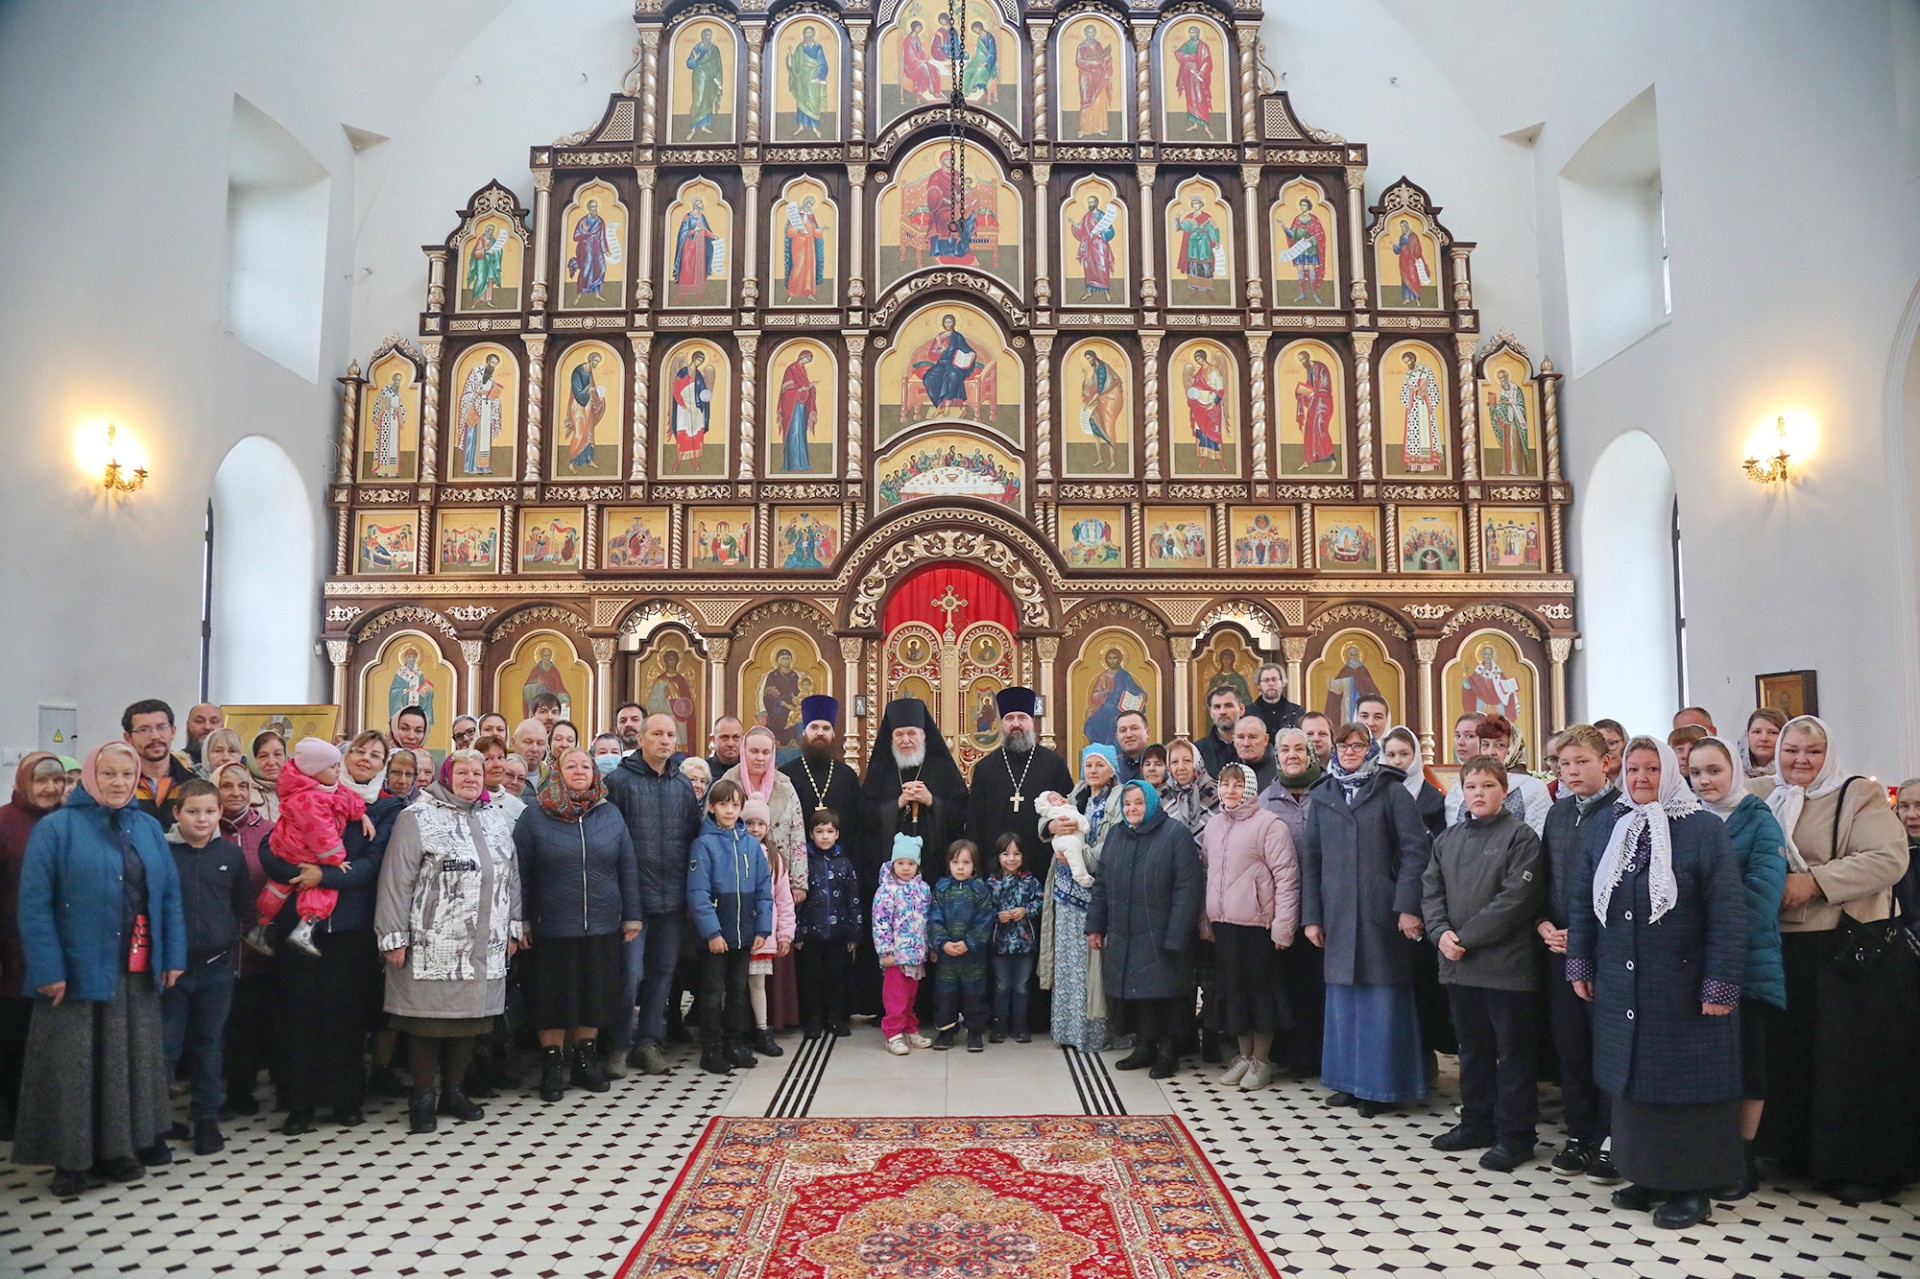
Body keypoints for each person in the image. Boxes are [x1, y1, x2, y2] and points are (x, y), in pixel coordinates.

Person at [1567, 738, 1746, 1230]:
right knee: (1633, 1086)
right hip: (1622, 982)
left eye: (1651, 769)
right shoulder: (1609, 824)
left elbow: (1728, 913)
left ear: (1671, 773)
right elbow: (1582, 899)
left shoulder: (1703, 829)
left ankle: (1691, 1187)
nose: (1641, 777)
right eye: (1633, 768)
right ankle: (1645, 1175)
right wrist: (1580, 962)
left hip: (1684, 985)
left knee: (1686, 1088)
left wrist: (1720, 985)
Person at [1752, 716, 1918, 1201]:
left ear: (1829, 755)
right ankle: (1800, 1155)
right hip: (1785, 947)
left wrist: (1815, 881)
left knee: (1848, 1063)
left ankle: (1860, 1166)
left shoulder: (1855, 796)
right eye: (1791, 751)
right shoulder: (1764, 796)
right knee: (1798, 1057)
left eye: (1813, 752)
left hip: (1846, 950)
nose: (1801, 760)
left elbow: (1889, 858)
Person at [13, 744, 185, 1196]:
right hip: (76, 971)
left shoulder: (147, 827)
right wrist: (48, 967)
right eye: (108, 774)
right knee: (74, 1068)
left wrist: (172, 957)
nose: (118, 782)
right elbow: (34, 907)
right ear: (90, 776)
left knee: (127, 1063)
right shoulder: (56, 829)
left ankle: (119, 1150)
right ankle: (69, 1162)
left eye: (127, 775)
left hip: (135, 969)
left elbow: (167, 896)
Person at [258, 737, 403, 1134]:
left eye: (376, 755)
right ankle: (299, 1104)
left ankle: (345, 1100)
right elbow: (271, 851)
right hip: (301, 924)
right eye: (359, 751)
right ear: (344, 756)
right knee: (298, 1015)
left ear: (381, 766)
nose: (365, 760)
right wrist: (299, 873)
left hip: (351, 927)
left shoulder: (386, 807)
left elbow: (375, 863)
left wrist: (326, 876)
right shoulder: (303, 793)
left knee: (346, 1017)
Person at [376, 749, 523, 1134]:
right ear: (446, 776)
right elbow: (396, 880)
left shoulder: (495, 818)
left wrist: (513, 926)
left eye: (478, 772)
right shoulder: (417, 817)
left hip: (484, 941)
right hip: (431, 943)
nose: (472, 778)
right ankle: (422, 1097)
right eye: (463, 772)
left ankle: (453, 1092)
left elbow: (512, 876)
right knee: (428, 1023)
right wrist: (392, 936)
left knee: (472, 1021)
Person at [1299, 722, 1431, 1116]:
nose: (1350, 751)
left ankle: (1381, 1087)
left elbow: (1415, 852)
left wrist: (1408, 906)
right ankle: (1347, 1082)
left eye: (1358, 745)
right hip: (1337, 913)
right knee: (1344, 1001)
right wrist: (1312, 917)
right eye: (1344, 745)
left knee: (1382, 999)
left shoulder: (1391, 790)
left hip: (1381, 913)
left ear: (1370, 748)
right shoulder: (1323, 794)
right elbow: (1312, 861)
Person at [1422, 755, 1546, 1173]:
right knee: (1471, 1050)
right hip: (1458, 964)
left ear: (1504, 791)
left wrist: (1466, 938)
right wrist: (1441, 933)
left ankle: (1515, 1137)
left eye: (1488, 786)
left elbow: (1515, 900)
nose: (1479, 793)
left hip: (1505, 969)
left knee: (1512, 1055)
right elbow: (1431, 891)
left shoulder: (1521, 837)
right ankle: (1475, 1123)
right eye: (1472, 786)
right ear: (1462, 792)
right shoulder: (1448, 839)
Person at [1687, 735, 1788, 1200]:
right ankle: (1709, 1152)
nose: (1705, 781)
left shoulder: (1759, 819)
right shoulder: (1686, 820)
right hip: (1695, 964)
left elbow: (1762, 896)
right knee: (1708, 1065)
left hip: (1747, 963)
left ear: (1734, 771)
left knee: (1749, 1064)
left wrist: (1707, 931)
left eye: (1714, 771)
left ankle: (1743, 1158)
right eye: (1696, 773)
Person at [515, 748, 639, 1103]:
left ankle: (585, 1060)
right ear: (557, 771)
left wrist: (632, 916)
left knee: (594, 994)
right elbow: (520, 872)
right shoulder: (534, 817)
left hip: (602, 924)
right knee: (552, 997)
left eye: (586, 765)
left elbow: (627, 867)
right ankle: (552, 1064)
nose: (580, 770)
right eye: (571, 765)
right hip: (551, 925)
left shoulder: (609, 814)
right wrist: (521, 920)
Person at [1535, 724, 1621, 1180]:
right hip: (1558, 949)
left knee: (1604, 1046)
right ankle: (1580, 1132)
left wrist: (1584, 937)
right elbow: (1547, 878)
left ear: (1605, 762)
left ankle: (1611, 1137)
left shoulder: (1624, 813)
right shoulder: (1557, 813)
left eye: (1581, 762)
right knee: (1571, 1047)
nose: (1571, 771)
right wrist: (1544, 924)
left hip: (1603, 952)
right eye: (1563, 764)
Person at [605, 714, 703, 1077]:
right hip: (632, 898)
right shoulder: (619, 781)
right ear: (642, 739)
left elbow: (693, 838)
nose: (665, 740)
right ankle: (618, 1044)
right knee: (630, 973)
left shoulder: (681, 786)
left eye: (670, 735)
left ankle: (648, 1041)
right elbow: (609, 839)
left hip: (672, 896)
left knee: (663, 971)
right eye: (657, 734)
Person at [1088, 779, 1204, 1079]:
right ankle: (1143, 1046)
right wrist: (1096, 926)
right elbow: (1101, 884)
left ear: (1151, 803)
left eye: (1138, 802)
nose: (1132, 809)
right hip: (1125, 931)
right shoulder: (1117, 835)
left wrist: (1177, 934)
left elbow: (1187, 889)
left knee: (1163, 994)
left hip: (1161, 932)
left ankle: (1168, 1052)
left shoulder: (1175, 835)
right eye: (1127, 804)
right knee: (1136, 994)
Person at [159, 779, 249, 1156]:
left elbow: (241, 905)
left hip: (215, 969)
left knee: (209, 1044)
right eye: (193, 811)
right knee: (166, 1047)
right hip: (170, 971)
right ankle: (156, 1122)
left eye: (210, 811)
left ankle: (206, 1118)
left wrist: (225, 939)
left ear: (219, 814)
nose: (202, 819)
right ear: (177, 813)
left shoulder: (230, 855)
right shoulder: (163, 854)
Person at [1202, 762, 1298, 1092]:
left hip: (1259, 924)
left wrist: (1284, 927)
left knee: (1260, 992)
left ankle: (1262, 1060)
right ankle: (1243, 1056)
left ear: (1251, 788)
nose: (1230, 790)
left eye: (1237, 784)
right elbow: (1209, 873)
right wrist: (1207, 917)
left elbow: (1287, 878)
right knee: (1234, 991)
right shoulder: (1213, 826)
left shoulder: (1270, 825)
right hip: (1225, 923)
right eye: (1225, 784)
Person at [246, 739, 373, 960]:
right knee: (323, 886)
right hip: (299, 849)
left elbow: (345, 799)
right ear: (315, 771)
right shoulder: (308, 799)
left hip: (289, 848)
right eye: (332, 767)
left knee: (279, 887)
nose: (337, 771)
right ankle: (305, 927)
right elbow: (321, 833)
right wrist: (335, 859)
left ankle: (261, 925)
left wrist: (360, 813)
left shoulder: (323, 787)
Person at [1041, 745, 1125, 1054]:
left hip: (1096, 892)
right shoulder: (1076, 794)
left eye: (1099, 765)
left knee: (1095, 964)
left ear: (1111, 770)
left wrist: (1083, 857)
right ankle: (1068, 1029)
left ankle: (1096, 1033)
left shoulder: (1118, 799)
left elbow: (1115, 839)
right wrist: (1052, 827)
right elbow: (1047, 818)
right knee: (1068, 962)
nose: (1092, 771)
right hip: (1065, 894)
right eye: (1088, 764)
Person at [0, 753, 66, 1140]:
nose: (49, 788)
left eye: (57, 781)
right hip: (12, 953)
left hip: (58, 954)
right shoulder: (5, 824)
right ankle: (10, 1120)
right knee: (13, 1039)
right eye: (41, 780)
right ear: (24, 781)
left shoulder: (66, 825)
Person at [1259, 727, 1324, 1077]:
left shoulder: (1328, 792)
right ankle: (1293, 1056)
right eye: (1286, 750)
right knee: (1287, 982)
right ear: (1277, 756)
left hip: (1322, 905)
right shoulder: (1265, 800)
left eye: (1300, 748)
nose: (1293, 755)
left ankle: (1322, 1055)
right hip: (1281, 908)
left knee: (1319, 982)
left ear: (1311, 754)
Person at [964, 687, 1074, 882]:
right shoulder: (984, 768)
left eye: (1022, 717)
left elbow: (1069, 812)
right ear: (1001, 723)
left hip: (1043, 864)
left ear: (1032, 722)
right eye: (1009, 718)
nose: (1016, 724)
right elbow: (975, 823)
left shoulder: (1054, 764)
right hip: (995, 870)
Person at [861, 698, 969, 888]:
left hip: (935, 865)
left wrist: (931, 801)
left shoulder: (943, 768)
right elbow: (864, 814)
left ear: (924, 735)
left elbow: (962, 812)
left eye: (912, 733)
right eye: (899, 734)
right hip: (892, 868)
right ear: (891, 737)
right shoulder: (881, 769)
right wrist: (897, 804)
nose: (906, 740)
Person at [795, 808, 860, 1040]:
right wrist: (798, 933)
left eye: (829, 831)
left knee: (836, 978)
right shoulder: (805, 863)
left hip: (838, 934)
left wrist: (854, 933)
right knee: (812, 979)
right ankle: (813, 1020)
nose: (824, 836)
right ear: (811, 834)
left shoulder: (844, 864)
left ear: (837, 834)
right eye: (819, 831)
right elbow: (798, 902)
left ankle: (835, 1018)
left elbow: (853, 900)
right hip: (811, 935)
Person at [721, 726, 807, 894]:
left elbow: (797, 836)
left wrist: (798, 883)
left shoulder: (785, 787)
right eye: (754, 751)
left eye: (766, 752)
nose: (760, 758)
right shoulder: (726, 784)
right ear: (743, 751)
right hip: (734, 877)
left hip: (777, 878)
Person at [741, 796, 795, 1058]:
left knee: (757, 985)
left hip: (763, 935)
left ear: (768, 826)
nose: (754, 828)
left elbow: (783, 899)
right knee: (735, 985)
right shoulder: (736, 851)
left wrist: (785, 933)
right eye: (749, 822)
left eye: (759, 823)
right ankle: (737, 1031)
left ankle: (762, 1030)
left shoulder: (775, 858)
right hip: (738, 932)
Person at [928, 840, 994, 1051]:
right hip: (947, 956)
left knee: (975, 994)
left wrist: (969, 943)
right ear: (949, 864)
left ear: (974, 865)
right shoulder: (941, 888)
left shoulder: (980, 889)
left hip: (973, 956)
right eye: (956, 862)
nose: (960, 867)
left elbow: (985, 920)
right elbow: (934, 918)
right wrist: (943, 942)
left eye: (966, 862)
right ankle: (946, 1031)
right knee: (945, 994)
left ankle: (974, 1031)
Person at [874, 833, 933, 1055]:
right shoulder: (886, 891)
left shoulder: (923, 889)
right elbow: (880, 922)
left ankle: (909, 1028)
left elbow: (927, 921)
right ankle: (893, 1033)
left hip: (916, 955)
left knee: (910, 997)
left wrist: (930, 947)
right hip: (896, 956)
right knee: (895, 997)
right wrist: (885, 950)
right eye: (901, 863)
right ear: (893, 863)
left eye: (910, 863)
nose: (906, 868)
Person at [987, 833, 1041, 1043]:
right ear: (998, 857)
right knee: (1001, 985)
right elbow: (982, 910)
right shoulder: (991, 882)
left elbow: (1041, 901)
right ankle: (999, 1025)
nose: (1011, 859)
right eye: (1006, 854)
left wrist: (1025, 910)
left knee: (1021, 985)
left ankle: (1020, 1025)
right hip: (998, 943)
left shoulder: (1030, 880)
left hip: (1025, 942)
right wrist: (996, 916)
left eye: (1016, 854)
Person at [782, 695, 863, 831]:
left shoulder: (847, 776)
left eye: (826, 728)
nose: (820, 733)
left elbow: (856, 824)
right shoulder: (787, 775)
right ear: (804, 732)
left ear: (833, 734)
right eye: (814, 727)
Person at [124, 699, 194, 830]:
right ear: (128, 738)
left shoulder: (192, 784)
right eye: (144, 729)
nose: (155, 736)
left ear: (173, 732)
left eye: (162, 727)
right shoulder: (119, 786)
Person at [1382, 727, 1446, 837]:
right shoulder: (1377, 792)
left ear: (1415, 756)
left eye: (1404, 754)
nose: (1397, 761)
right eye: (1391, 755)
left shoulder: (1434, 800)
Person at [1159, 739, 1219, 836]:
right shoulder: (1160, 796)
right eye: (1174, 762)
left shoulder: (1218, 792)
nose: (1181, 767)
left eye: (1187, 760)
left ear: (1197, 762)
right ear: (1168, 766)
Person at [1197, 687, 1243, 779]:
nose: (1222, 712)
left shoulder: (1255, 747)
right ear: (1211, 713)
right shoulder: (1198, 751)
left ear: (1241, 709)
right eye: (1217, 707)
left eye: (1228, 706)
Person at [1249, 663, 1305, 737]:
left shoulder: (1298, 712)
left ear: (1282, 683)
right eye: (1266, 680)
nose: (1271, 684)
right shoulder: (1248, 713)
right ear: (1259, 685)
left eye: (1274, 679)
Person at [246, 730, 287, 825]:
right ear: (252, 759)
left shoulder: (296, 791)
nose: (271, 762)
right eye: (263, 756)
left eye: (278, 754)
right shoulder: (243, 793)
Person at [1229, 716, 1277, 794]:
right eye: (1240, 737)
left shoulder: (1280, 773)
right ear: (1234, 740)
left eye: (1253, 737)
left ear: (1265, 740)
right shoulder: (1227, 769)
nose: (1246, 743)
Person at [1740, 708, 1786, 780]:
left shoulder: (1792, 774)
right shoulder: (1733, 774)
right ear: (1746, 736)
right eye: (1757, 732)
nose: (1764, 738)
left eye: (1772, 732)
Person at [1113, 710, 1151, 784]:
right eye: (1123, 730)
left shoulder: (1163, 764)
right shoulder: (1112, 769)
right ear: (1117, 737)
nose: (1129, 735)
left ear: (1147, 733)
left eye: (1134, 728)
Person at [705, 716, 745, 782]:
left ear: (743, 739)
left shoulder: (750, 771)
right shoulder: (703, 771)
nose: (730, 744)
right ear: (713, 739)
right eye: (724, 737)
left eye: (736, 737)